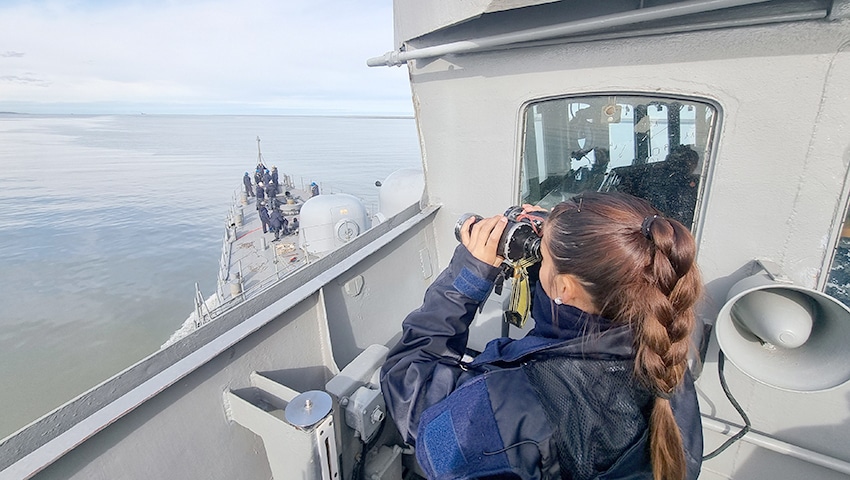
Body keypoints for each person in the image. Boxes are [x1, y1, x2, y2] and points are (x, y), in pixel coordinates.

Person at [381, 192, 703, 480]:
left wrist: (467, 279)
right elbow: (570, 314)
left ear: (565, 288)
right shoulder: (665, 358)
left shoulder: (509, 404)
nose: (540, 260)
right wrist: (560, 248)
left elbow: (410, 390)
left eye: (543, 258)